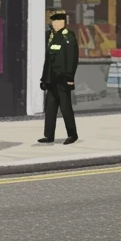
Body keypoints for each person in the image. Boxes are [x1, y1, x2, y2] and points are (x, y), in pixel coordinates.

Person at [39, 10, 79, 144]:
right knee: (50, 108)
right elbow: (48, 61)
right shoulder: (52, 37)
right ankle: (49, 135)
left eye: (57, 21)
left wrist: (69, 78)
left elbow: (71, 60)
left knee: (66, 108)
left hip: (62, 79)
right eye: (53, 21)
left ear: (63, 22)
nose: (54, 24)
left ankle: (72, 134)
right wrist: (44, 79)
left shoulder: (68, 37)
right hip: (52, 79)